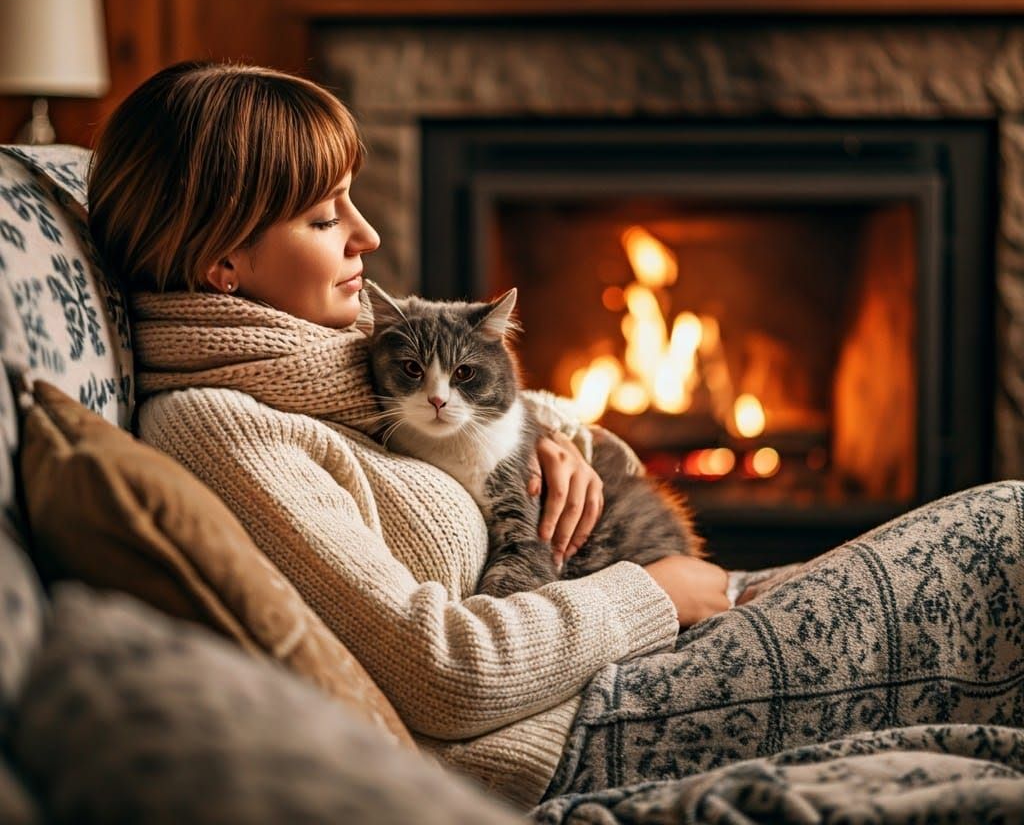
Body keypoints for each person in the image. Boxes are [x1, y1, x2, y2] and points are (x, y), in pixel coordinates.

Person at [88, 60, 1024, 811]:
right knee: (1002, 544)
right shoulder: (221, 425)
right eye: (326, 216)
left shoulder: (333, 368)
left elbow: (495, 409)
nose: (366, 236)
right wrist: (652, 594)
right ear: (222, 260)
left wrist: (546, 438)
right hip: (578, 725)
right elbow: (445, 674)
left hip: (622, 661)